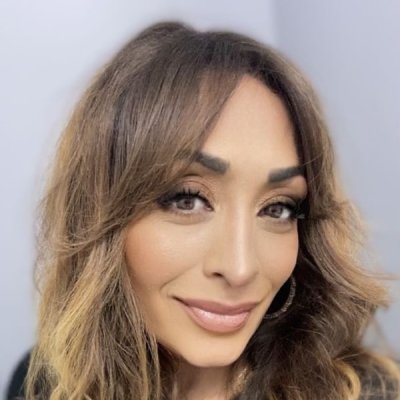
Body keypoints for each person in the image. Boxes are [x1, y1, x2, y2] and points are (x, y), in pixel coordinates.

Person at [14, 21, 399, 399]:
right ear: (98, 210)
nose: (240, 269)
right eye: (187, 200)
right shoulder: (46, 382)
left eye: (278, 208)